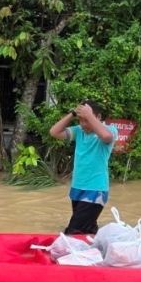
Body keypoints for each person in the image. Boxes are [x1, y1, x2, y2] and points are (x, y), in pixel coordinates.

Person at [48, 100, 118, 235]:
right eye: (80, 120)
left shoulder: (109, 130)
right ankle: (98, 250)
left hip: (95, 190)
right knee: (87, 229)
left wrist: (89, 115)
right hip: (77, 187)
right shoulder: (79, 132)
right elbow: (54, 132)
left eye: (86, 120)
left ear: (97, 117)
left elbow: (106, 137)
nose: (83, 124)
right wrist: (73, 113)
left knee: (73, 231)